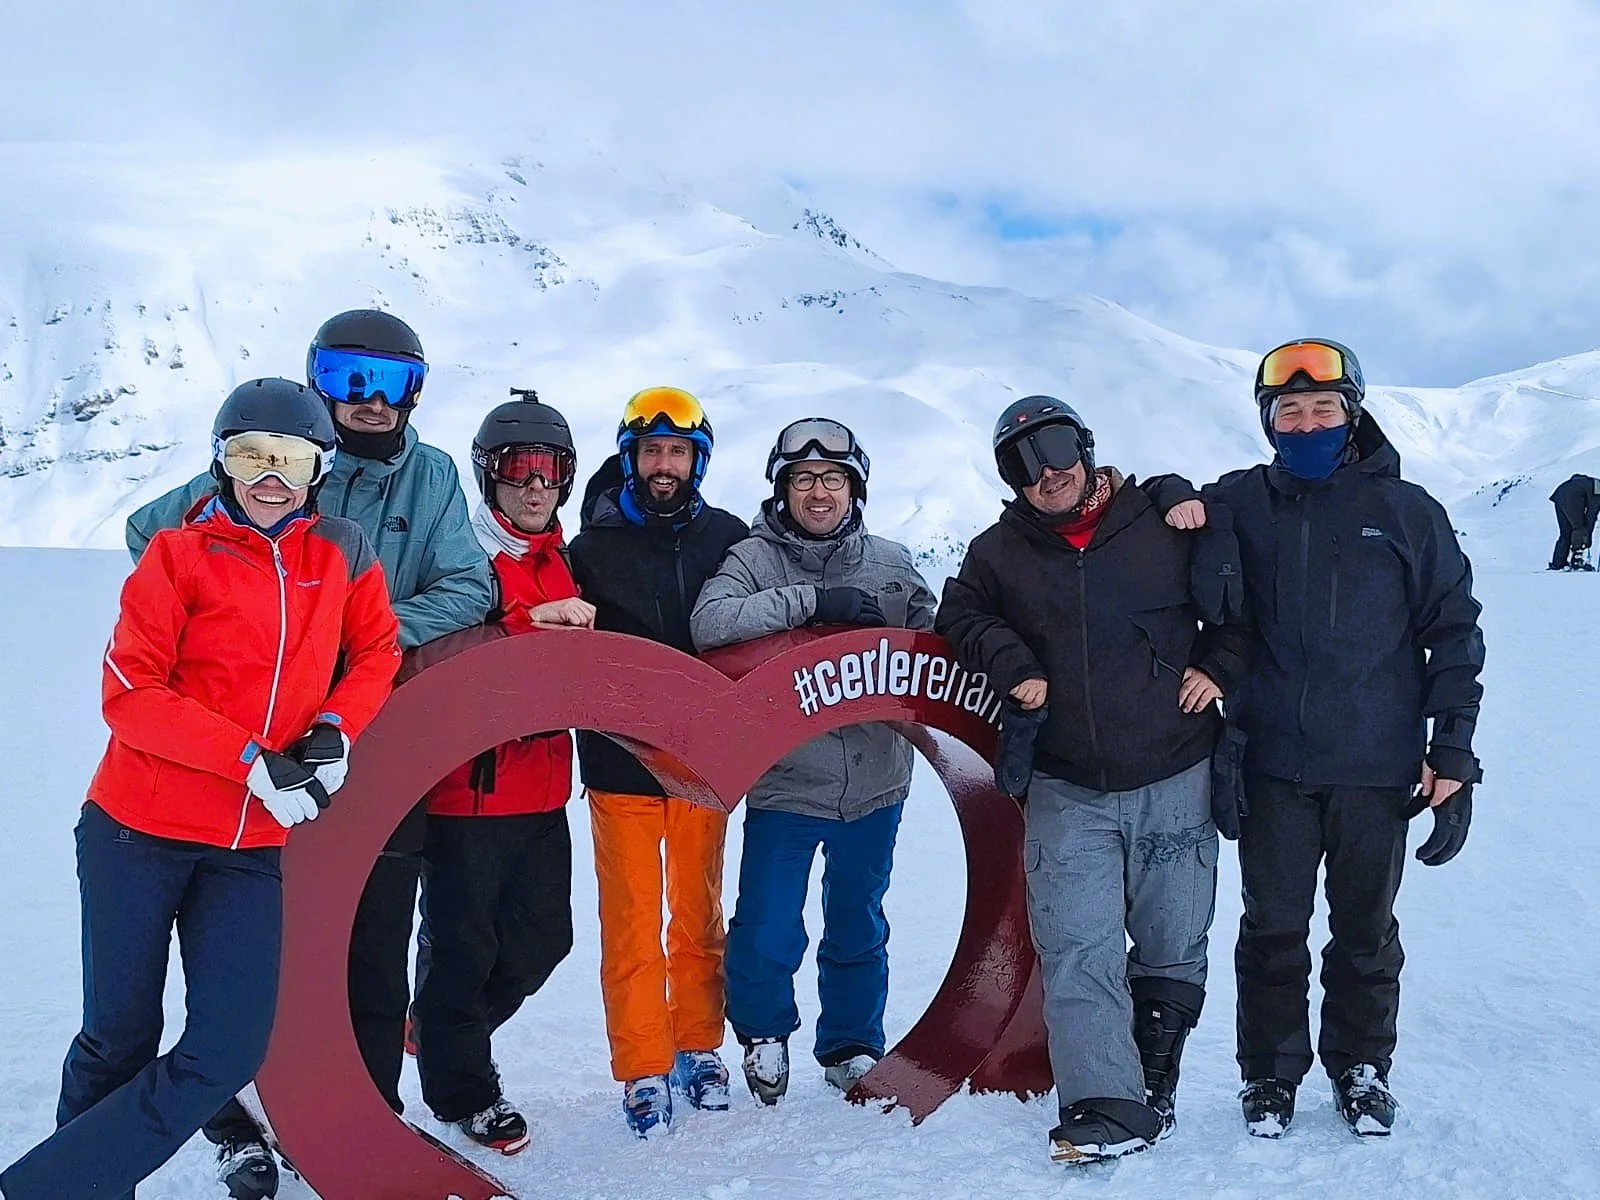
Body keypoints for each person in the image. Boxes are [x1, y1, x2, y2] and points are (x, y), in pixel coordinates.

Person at [0, 380, 400, 1200]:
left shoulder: (342, 552)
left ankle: (50, 1185)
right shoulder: (178, 554)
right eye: (250, 457)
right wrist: (249, 759)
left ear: (320, 469)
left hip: (248, 847)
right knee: (119, 1037)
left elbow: (377, 652)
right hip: (135, 832)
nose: (271, 479)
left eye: (291, 460)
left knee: (229, 1046)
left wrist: (336, 728)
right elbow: (130, 692)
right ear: (221, 463)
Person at [124, 310, 490, 1196]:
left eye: (391, 382)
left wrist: (354, 634)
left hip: (370, 741)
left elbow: (469, 584)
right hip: (247, 752)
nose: (369, 400)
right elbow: (149, 534)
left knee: (372, 939)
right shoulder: (274, 455)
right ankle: (238, 1121)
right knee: (248, 949)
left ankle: (368, 1118)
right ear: (317, 381)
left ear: (415, 393)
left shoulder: (432, 476)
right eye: (348, 377)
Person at [936, 396, 1245, 1165]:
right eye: (1022, 462)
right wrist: (1011, 662)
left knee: (1172, 939)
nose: (1047, 471)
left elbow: (1241, 610)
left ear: (1085, 445)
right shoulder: (997, 552)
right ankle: (1103, 1103)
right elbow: (960, 616)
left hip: (1175, 767)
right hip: (1066, 782)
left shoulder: (1164, 523)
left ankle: (1153, 1082)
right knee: (1078, 945)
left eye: (1056, 446)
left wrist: (1219, 666)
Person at [1202, 338, 1485, 1138]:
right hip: (1271, 765)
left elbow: (1453, 633)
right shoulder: (1239, 502)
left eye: (1322, 408)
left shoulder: (1407, 512)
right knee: (1272, 929)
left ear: (1351, 413)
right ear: (1268, 422)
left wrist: (1453, 752)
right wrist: (1164, 494)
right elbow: (1159, 515)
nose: (1306, 424)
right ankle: (1269, 1073)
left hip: (1374, 763)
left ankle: (1361, 1068)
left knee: (1365, 931)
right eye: (1288, 411)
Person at [690, 418, 937, 1105]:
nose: (818, 492)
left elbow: (939, 642)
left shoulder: (890, 562)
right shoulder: (754, 559)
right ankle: (764, 1033)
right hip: (787, 781)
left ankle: (851, 1045)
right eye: (802, 479)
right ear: (783, 488)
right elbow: (710, 623)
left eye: (832, 478)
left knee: (858, 920)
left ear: (854, 489)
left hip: (876, 781)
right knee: (768, 922)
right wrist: (812, 604)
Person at [412, 392, 594, 1156]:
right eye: (519, 468)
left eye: (550, 469)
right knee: (462, 954)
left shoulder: (562, 558)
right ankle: (464, 1091)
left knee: (543, 942)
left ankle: (437, 1031)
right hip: (468, 794)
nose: (535, 485)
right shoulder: (463, 555)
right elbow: (437, 654)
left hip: (542, 787)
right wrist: (523, 627)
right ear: (489, 474)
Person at [568, 387, 748, 1138]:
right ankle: (643, 1066)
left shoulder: (730, 538)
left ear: (696, 460)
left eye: (677, 451)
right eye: (651, 451)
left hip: (703, 762)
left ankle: (697, 1047)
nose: (663, 464)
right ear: (631, 458)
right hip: (620, 764)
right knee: (633, 922)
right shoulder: (591, 549)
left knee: (698, 916)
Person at [1548, 473, 1599, 570]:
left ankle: (1558, 563)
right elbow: (1591, 516)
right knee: (1580, 528)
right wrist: (1588, 538)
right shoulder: (1598, 492)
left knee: (1566, 532)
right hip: (1572, 498)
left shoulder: (1593, 483)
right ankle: (1577, 561)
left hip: (1559, 494)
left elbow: (1576, 479)